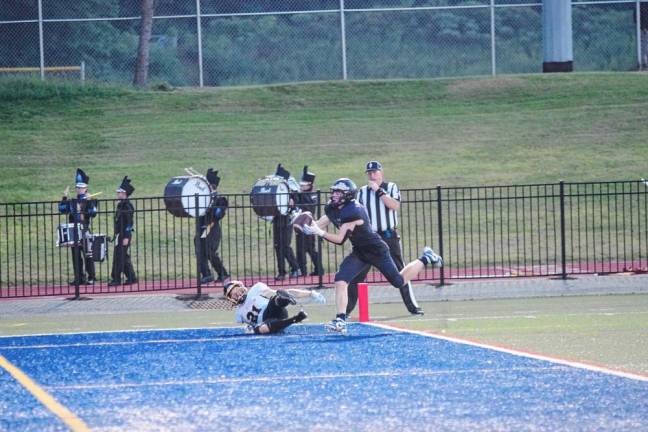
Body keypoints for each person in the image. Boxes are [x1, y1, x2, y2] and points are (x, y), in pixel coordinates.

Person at [302, 178, 442, 334]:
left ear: (347, 194)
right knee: (341, 280)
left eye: (338, 192)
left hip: (376, 250)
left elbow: (340, 240)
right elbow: (321, 222)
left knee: (398, 281)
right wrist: (307, 227)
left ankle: (425, 257)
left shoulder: (353, 211)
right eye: (334, 191)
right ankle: (340, 319)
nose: (334, 194)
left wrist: (319, 232)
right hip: (360, 251)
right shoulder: (333, 207)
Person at [347, 160, 423, 315]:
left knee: (400, 272)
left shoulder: (391, 187)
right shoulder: (361, 192)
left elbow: (394, 205)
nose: (372, 175)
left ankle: (413, 307)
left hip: (388, 235)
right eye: (369, 173)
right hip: (370, 238)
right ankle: (346, 311)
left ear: (381, 172)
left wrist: (379, 191)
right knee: (356, 275)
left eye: (375, 172)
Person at [223, 280, 326, 334]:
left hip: (272, 309)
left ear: (242, 287)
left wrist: (310, 294)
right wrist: (251, 328)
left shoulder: (256, 289)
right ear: (231, 299)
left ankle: (284, 300)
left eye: (237, 291)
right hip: (268, 322)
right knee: (260, 329)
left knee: (277, 297)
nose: (237, 295)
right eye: (233, 295)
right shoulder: (239, 314)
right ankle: (295, 319)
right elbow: (248, 328)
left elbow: (288, 291)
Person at [58, 168, 98, 285]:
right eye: (78, 187)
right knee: (75, 256)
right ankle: (79, 278)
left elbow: (93, 213)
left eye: (82, 187)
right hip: (73, 232)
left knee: (88, 255)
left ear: (86, 188)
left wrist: (90, 201)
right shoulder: (72, 201)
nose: (79, 189)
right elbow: (62, 210)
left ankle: (91, 277)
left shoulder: (91, 200)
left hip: (85, 230)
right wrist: (64, 198)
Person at [195, 168, 229, 284]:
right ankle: (206, 274)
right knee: (200, 250)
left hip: (212, 228)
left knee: (209, 251)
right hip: (201, 227)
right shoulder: (202, 198)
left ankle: (222, 273)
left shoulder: (219, 199)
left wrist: (211, 207)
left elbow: (219, 214)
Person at [294, 166, 323, 277]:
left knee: (310, 249)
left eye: (303, 185)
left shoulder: (312, 195)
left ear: (309, 185)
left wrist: (298, 197)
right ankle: (304, 270)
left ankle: (318, 269)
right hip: (300, 224)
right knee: (301, 249)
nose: (301, 187)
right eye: (300, 185)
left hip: (308, 225)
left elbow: (308, 208)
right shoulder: (303, 194)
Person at [272, 164, 301, 280]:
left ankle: (295, 268)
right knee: (277, 246)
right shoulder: (276, 190)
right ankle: (281, 272)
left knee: (285, 246)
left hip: (287, 220)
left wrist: (292, 202)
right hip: (277, 219)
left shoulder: (291, 190)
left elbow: (296, 203)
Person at [108, 176, 137, 286]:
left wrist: (126, 236)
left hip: (124, 235)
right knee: (123, 256)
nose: (117, 194)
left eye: (119, 192)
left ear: (124, 193)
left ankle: (116, 279)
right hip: (120, 234)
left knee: (119, 257)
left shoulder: (127, 206)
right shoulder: (121, 205)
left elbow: (129, 223)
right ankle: (131, 277)